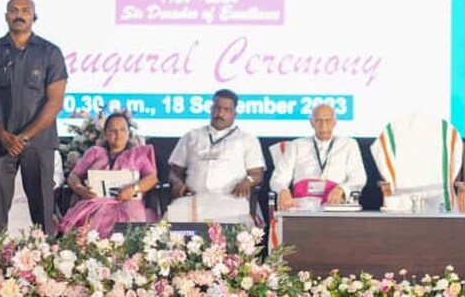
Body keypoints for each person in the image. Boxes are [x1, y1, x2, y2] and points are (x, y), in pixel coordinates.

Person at [0, 0, 67, 235]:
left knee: (43, 210)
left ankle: (47, 263)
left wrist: (24, 137)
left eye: (25, 10)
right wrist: (3, 135)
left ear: (33, 16)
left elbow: (55, 101)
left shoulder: (50, 53)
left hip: (38, 143)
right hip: (0, 141)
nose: (19, 14)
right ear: (6, 16)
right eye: (13, 10)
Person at [165, 89, 264, 224]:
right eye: (217, 108)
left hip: (230, 199)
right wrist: (177, 182)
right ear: (211, 109)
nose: (220, 113)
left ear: (235, 114)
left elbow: (257, 174)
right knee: (170, 221)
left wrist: (247, 181)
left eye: (226, 109)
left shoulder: (247, 139)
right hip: (194, 198)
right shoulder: (192, 136)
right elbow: (174, 171)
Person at [59, 112, 158, 237]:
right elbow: (73, 176)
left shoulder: (138, 155)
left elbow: (152, 178)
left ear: (128, 132)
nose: (118, 134)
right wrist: (81, 189)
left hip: (128, 203)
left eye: (122, 130)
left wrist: (134, 189)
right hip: (96, 203)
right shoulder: (94, 152)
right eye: (113, 130)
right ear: (105, 133)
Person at [270, 104, 367, 210]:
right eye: (318, 121)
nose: (323, 126)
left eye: (328, 120)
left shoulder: (349, 144)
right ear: (311, 122)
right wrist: (282, 190)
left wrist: (342, 189)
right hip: (301, 207)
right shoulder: (296, 145)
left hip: (335, 206)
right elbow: (278, 177)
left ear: (335, 122)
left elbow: (359, 178)